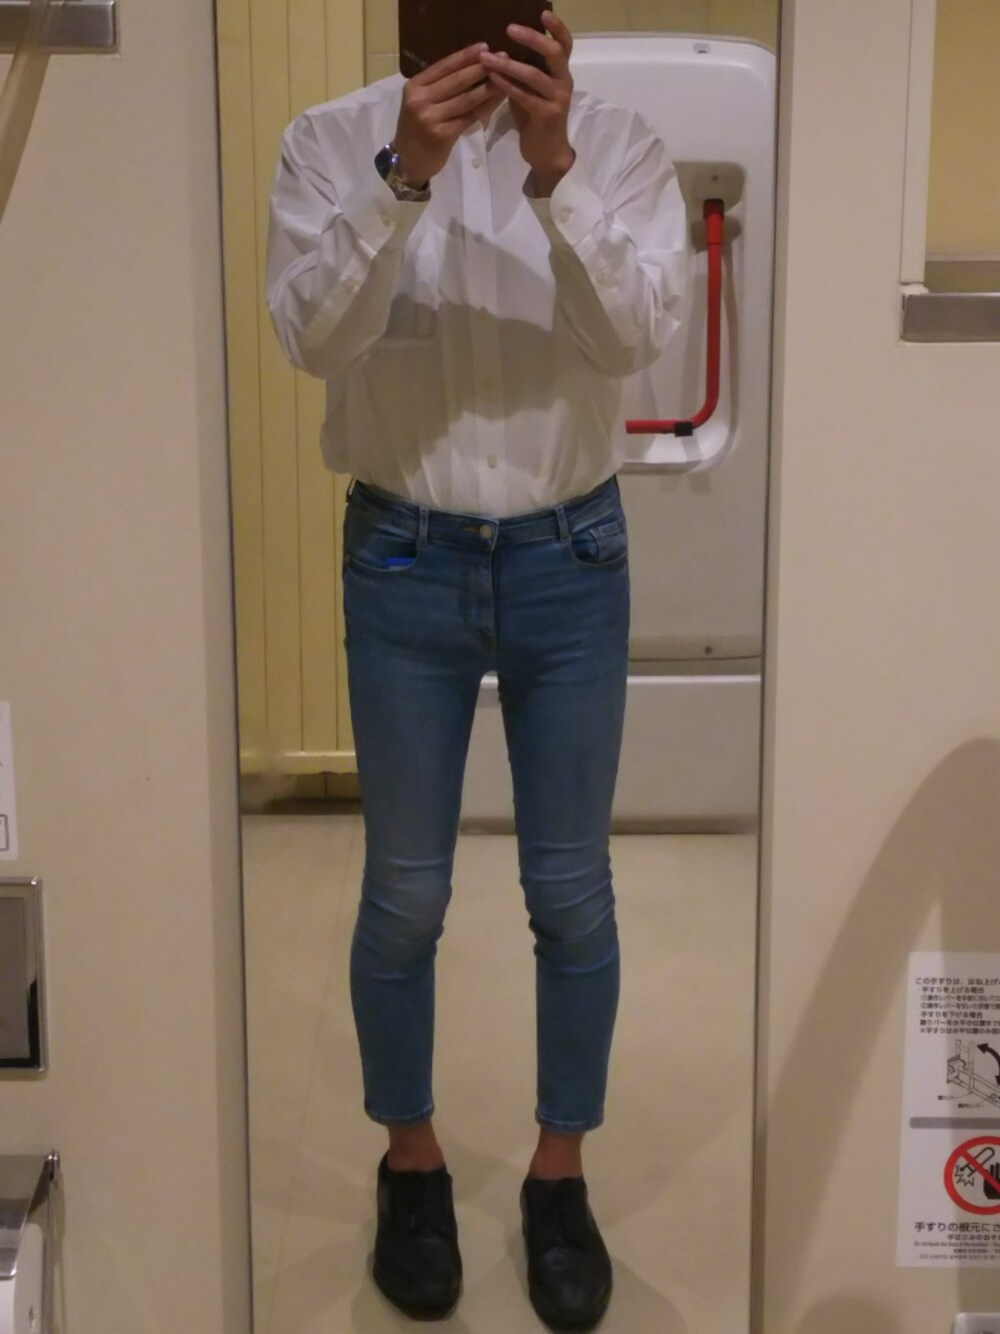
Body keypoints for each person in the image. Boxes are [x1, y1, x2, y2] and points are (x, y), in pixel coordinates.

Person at [267, 13, 686, 1328]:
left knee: (572, 890)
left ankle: (560, 1172)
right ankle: (413, 1160)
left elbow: (637, 339)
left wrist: (556, 174)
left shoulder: (616, 141)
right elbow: (309, 338)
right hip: (403, 554)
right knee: (404, 891)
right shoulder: (331, 140)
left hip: (572, 553)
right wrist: (401, 177)